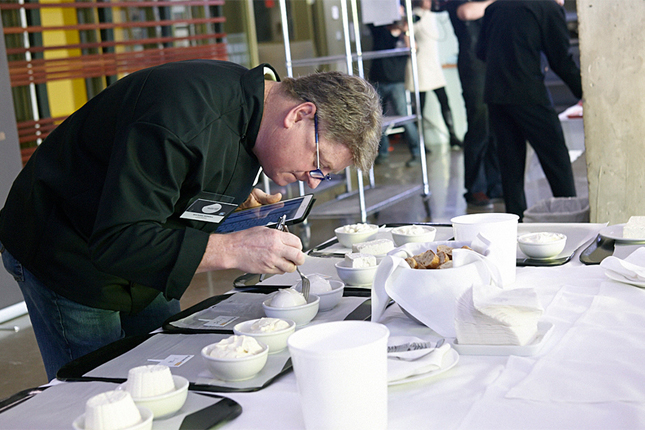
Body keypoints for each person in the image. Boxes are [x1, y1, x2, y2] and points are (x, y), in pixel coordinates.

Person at [0, 60, 382, 380]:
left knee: (166, 364)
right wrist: (233, 248)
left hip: (143, 253)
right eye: (318, 163)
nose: (312, 179)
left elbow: (171, 185)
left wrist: (230, 210)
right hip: (66, 245)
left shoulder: (256, 113)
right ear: (300, 114)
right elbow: (118, 238)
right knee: (99, 389)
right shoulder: (182, 117)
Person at [476, 0, 581, 220]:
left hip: (496, 94)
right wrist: (585, 93)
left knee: (510, 168)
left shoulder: (495, 7)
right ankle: (571, 217)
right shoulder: (547, 8)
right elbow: (561, 59)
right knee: (556, 160)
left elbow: (481, 51)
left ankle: (515, 224)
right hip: (528, 93)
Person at [435, 0, 502, 208]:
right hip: (474, 66)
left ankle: (496, 185)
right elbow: (466, 12)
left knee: (497, 127)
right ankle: (475, 188)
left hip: (496, 61)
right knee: (479, 123)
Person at [404, 0, 463, 151]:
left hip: (433, 65)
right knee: (420, 107)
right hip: (420, 66)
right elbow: (407, 32)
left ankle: (453, 136)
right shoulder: (415, 16)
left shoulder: (431, 15)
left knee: (444, 102)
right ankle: (419, 143)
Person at [368, 18, 423, 167]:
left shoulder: (406, 36)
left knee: (405, 118)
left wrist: (405, 30)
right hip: (377, 81)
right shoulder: (380, 31)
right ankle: (383, 153)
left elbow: (413, 49)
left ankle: (417, 153)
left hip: (397, 83)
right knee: (377, 120)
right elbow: (371, 19)